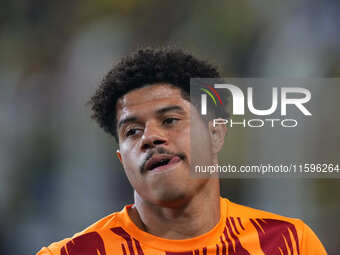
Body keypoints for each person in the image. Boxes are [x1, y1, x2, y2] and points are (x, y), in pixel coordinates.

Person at [37, 47, 327, 255]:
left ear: (215, 133)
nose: (150, 138)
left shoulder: (291, 243)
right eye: (132, 131)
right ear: (121, 159)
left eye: (170, 120)